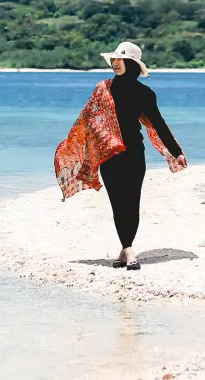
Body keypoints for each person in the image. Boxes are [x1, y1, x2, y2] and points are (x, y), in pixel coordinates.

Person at [52, 41, 187, 271]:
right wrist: (94, 143)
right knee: (118, 205)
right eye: (114, 60)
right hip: (109, 157)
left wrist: (176, 152)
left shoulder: (145, 94)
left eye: (120, 59)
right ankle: (130, 250)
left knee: (132, 203)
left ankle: (126, 250)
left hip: (134, 155)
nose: (115, 63)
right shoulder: (102, 89)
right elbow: (87, 120)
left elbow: (159, 124)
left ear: (132, 64)